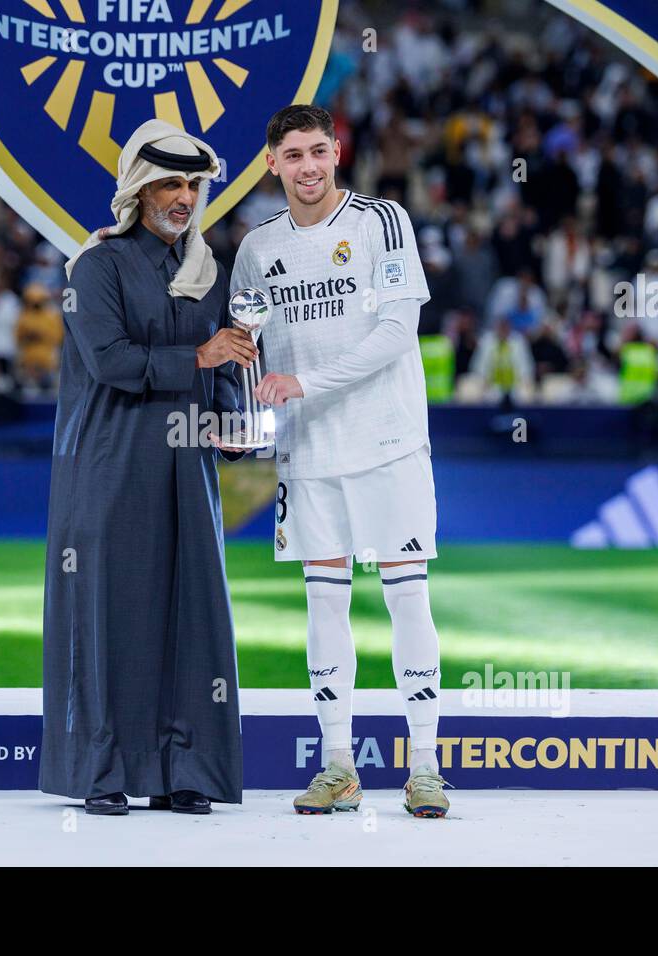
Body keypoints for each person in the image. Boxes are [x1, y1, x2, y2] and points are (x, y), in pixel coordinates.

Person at [231, 104, 449, 818]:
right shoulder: (257, 248)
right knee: (324, 603)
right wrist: (243, 416)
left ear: (337, 151)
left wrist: (304, 385)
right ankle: (336, 766)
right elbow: (246, 344)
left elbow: (398, 330)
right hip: (309, 452)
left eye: (318, 151)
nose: (309, 167)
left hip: (388, 443)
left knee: (405, 596)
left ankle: (424, 766)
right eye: (292, 155)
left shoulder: (380, 221)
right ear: (272, 164)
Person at [41, 120, 256, 816]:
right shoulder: (93, 267)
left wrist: (231, 420)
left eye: (193, 184)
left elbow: (225, 361)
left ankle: (181, 768)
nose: (184, 196)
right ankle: (101, 772)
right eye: (170, 182)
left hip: (188, 463)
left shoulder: (207, 271)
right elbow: (110, 362)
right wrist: (197, 360)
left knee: (190, 611)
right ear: (138, 187)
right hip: (112, 459)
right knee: (109, 609)